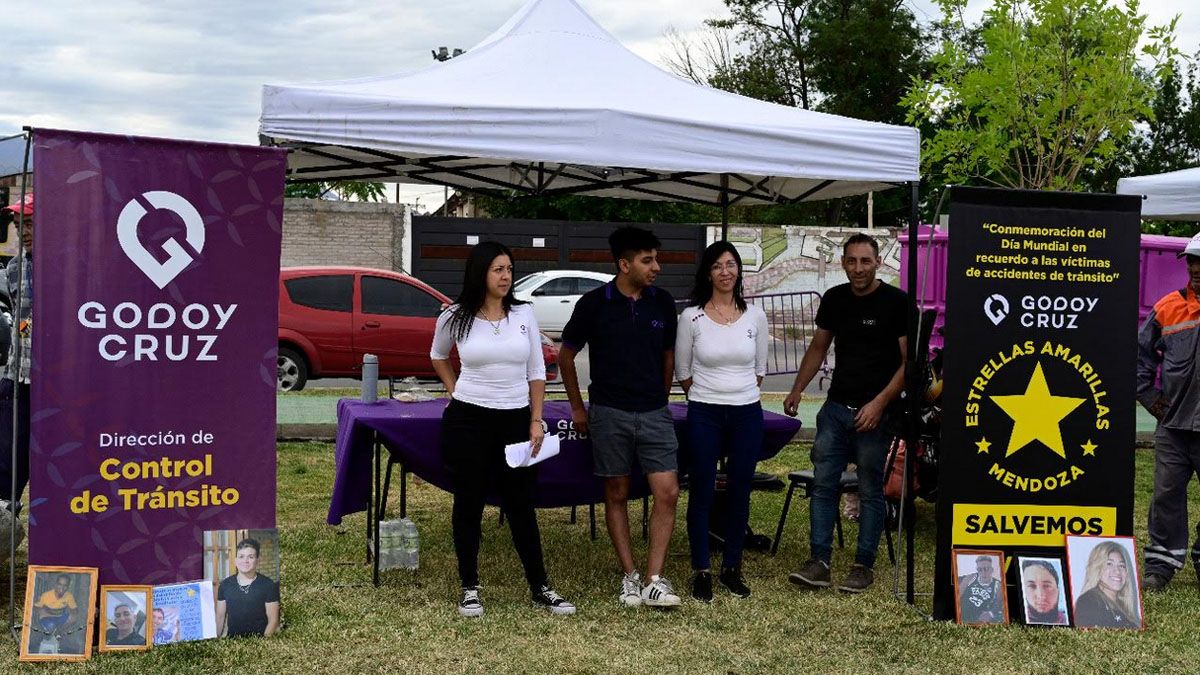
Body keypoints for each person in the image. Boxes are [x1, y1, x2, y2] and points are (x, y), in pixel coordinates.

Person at [431, 241, 575, 618]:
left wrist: (535, 419)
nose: (505, 276)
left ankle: (540, 586)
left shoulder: (524, 314)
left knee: (521, 505)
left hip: (515, 418)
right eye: (498, 269)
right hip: (469, 418)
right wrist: (455, 389)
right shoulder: (454, 315)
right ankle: (469, 587)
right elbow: (437, 354)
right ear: (480, 272)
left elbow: (536, 371)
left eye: (509, 269)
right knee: (469, 502)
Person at [560, 226, 681, 608]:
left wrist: (659, 399)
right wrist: (578, 407)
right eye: (648, 260)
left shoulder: (662, 302)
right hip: (608, 412)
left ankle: (654, 579)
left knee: (668, 492)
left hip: (654, 413)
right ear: (624, 263)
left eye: (656, 259)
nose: (656, 267)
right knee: (617, 492)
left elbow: (667, 357)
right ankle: (629, 576)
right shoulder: (594, 303)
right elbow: (565, 355)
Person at [783, 233, 909, 593]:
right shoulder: (835, 299)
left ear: (878, 262)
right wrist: (797, 389)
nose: (858, 269)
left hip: (876, 413)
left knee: (870, 489)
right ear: (843, 263)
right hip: (836, 410)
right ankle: (818, 562)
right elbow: (818, 347)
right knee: (824, 486)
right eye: (851, 261)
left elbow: (909, 363)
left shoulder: (897, 303)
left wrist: (880, 403)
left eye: (865, 261)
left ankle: (862, 566)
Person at [675, 241, 767, 601]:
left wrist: (738, 394)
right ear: (708, 273)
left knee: (740, 490)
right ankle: (701, 570)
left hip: (746, 411)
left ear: (739, 271)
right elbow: (683, 371)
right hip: (704, 410)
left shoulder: (755, 316)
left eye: (731, 265)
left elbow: (759, 370)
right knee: (702, 489)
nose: (725, 272)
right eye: (717, 266)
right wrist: (711, 395)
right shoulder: (691, 317)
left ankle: (732, 568)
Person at [1138, 232, 1200, 592]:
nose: (1196, 268)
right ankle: (1160, 566)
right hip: (1174, 427)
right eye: (1192, 261)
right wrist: (1152, 400)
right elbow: (1139, 359)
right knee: (1165, 496)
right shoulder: (1167, 308)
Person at [0, 193, 33, 545]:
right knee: (10, 454)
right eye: (19, 224)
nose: (23, 231)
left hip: (62, 382)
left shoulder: (68, 262)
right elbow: (18, 323)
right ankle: (6, 519)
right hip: (18, 376)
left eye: (31, 223)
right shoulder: (13, 267)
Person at [216, 538, 281, 636]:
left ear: (258, 560)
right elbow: (220, 617)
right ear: (236, 560)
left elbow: (273, 620)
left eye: (250, 557)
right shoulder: (225, 585)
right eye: (241, 557)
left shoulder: (268, 585)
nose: (245, 561)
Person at [1073, 542, 1140, 629]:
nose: (1117, 571)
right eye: (1109, 564)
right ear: (1097, 568)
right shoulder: (1089, 601)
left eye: (1122, 565)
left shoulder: (1124, 606)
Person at [32, 573, 79, 653]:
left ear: (68, 586)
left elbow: (74, 609)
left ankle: (58, 632)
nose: (62, 588)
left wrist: (73, 613)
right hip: (47, 617)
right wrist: (42, 611)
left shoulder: (69, 596)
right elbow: (36, 607)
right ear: (56, 584)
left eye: (65, 585)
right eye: (60, 584)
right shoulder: (46, 595)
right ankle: (55, 634)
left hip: (60, 617)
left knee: (74, 618)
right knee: (51, 626)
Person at [957, 555, 1003, 623]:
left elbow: (999, 605)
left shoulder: (998, 585)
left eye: (986, 569)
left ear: (992, 570)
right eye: (980, 569)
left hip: (977, 619)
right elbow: (958, 595)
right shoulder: (970, 578)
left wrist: (991, 613)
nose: (983, 572)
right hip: (961, 613)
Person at [1022, 559, 1068, 625]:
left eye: (1046, 586)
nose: (1040, 595)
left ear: (1058, 591)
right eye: (1032, 586)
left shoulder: (1074, 623)